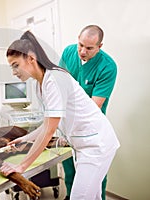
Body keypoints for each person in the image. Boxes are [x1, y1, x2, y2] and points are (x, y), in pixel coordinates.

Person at [0, 30, 120, 200]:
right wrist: (25, 139)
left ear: (31, 59)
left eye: (15, 65)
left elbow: (49, 131)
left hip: (96, 145)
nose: (13, 72)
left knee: (80, 197)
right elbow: (47, 124)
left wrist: (22, 166)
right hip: (84, 145)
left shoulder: (54, 79)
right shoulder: (40, 84)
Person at [59, 25, 117, 200]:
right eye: (80, 45)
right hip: (67, 123)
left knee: (95, 175)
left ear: (100, 46)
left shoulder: (107, 66)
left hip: (91, 128)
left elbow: (93, 107)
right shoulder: (69, 52)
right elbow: (60, 85)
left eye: (89, 48)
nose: (82, 51)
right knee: (69, 169)